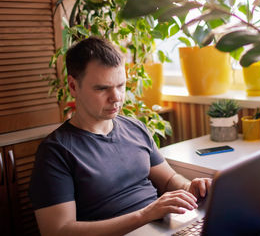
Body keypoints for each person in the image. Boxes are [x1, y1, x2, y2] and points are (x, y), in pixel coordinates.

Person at [29, 37, 212, 236]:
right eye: (102, 88)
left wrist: (189, 187)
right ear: (73, 87)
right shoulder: (56, 151)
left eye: (121, 85)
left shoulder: (135, 128)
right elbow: (58, 231)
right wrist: (145, 215)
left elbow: (168, 180)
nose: (116, 97)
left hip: (164, 229)